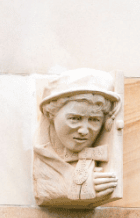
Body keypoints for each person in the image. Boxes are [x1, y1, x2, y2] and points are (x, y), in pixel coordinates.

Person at [33, 68, 121, 207]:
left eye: (94, 120)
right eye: (75, 118)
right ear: (51, 114)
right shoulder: (43, 156)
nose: (84, 131)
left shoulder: (96, 155)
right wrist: (78, 184)